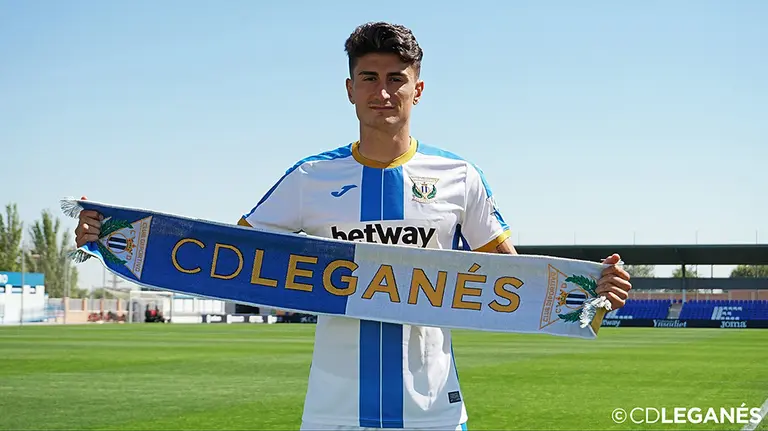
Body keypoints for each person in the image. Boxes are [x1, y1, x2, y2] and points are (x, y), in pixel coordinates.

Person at [75, 21, 632, 431]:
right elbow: (222, 257)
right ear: (349, 88)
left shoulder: (459, 177)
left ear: (418, 88)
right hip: (333, 408)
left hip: (434, 406)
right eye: (369, 77)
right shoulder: (310, 178)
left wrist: (595, 291)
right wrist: (111, 237)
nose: (382, 91)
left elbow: (516, 279)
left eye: (396, 78)